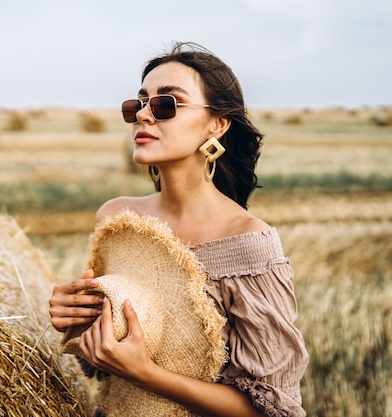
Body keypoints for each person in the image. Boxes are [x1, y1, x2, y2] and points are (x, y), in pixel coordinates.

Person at [49, 42, 309, 417]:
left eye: (166, 104)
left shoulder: (248, 243)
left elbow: (270, 408)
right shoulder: (118, 220)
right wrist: (73, 317)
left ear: (217, 124)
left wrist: (146, 375)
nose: (144, 116)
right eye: (137, 104)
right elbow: (101, 359)